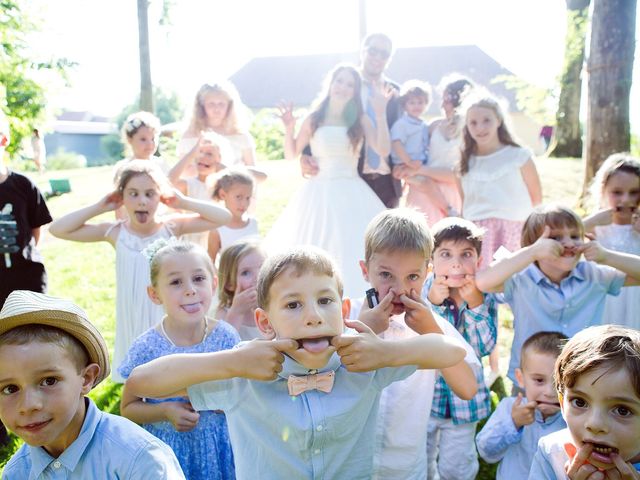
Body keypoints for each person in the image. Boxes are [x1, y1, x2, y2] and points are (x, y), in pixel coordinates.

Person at [124, 247, 467, 479]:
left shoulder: (364, 362)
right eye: (292, 305)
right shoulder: (245, 372)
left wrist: (385, 353)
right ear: (264, 322)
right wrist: (232, 361)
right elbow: (141, 382)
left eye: (325, 301)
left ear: (344, 312)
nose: (314, 317)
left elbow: (452, 351)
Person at [48, 160, 231, 382]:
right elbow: (58, 229)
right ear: (121, 197)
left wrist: (183, 202)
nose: (142, 201)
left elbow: (224, 217)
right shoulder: (115, 232)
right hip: (132, 308)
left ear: (160, 197)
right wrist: (101, 206)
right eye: (133, 194)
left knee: (168, 365)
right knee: (137, 364)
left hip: (165, 306)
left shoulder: (171, 227)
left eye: (150, 194)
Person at [350, 208, 480, 479]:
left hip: (405, 467)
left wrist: (430, 332)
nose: (398, 289)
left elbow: (468, 389)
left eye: (412, 277)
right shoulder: (345, 317)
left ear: (427, 272)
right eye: (386, 275)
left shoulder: (432, 324)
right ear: (365, 270)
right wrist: (366, 331)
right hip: (349, 462)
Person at [0, 290, 185, 478]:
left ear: (87, 378)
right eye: (10, 388)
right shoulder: (16, 473)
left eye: (49, 381)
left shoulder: (139, 460)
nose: (29, 405)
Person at [475, 203, 640, 388]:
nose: (569, 243)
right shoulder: (520, 279)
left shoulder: (595, 275)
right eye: (556, 237)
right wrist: (532, 252)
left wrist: (606, 256)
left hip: (581, 378)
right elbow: (482, 282)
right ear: (535, 245)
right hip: (530, 382)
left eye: (575, 236)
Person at [266, 63, 391, 298]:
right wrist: (289, 128)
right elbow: (291, 153)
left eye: (350, 84)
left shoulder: (360, 120)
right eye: (339, 81)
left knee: (354, 245)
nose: (343, 87)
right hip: (319, 189)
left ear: (355, 91)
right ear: (331, 84)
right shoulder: (314, 118)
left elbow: (382, 148)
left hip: (352, 187)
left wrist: (381, 113)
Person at [119, 240, 238, 479]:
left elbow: (244, 394)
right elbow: (128, 408)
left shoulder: (226, 338)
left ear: (213, 283)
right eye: (175, 282)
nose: (190, 290)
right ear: (154, 294)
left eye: (199, 278)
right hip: (171, 454)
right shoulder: (147, 348)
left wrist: (224, 404)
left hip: (219, 448)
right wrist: (165, 411)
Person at [424, 216, 498, 480]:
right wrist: (433, 304)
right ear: (431, 262)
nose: (456, 263)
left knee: (456, 467)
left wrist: (475, 305)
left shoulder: (484, 296)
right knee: (421, 459)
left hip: (464, 405)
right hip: (426, 397)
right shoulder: (423, 292)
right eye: (446, 254)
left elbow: (483, 347)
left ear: (478, 260)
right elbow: (421, 340)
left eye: (466, 254)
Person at [529, 325, 640, 479]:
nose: (595, 424)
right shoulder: (553, 454)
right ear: (562, 404)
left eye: (622, 410)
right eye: (580, 402)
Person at [458, 91, 542, 268]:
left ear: (499, 120)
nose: (480, 128)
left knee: (513, 283)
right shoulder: (464, 163)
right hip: (477, 237)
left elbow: (536, 199)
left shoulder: (519, 156)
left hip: (514, 232)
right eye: (473, 123)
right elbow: (465, 205)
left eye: (486, 120)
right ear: (466, 126)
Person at [476, 331, 567, 480]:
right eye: (539, 380)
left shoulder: (573, 419)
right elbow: (486, 451)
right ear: (520, 378)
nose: (550, 392)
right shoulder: (509, 408)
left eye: (559, 382)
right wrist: (513, 423)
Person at [0, 110, 52, 308]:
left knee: (28, 336)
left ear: (3, 140)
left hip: (27, 281)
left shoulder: (23, 186)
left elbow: (35, 228)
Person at [583, 153, 640, 330]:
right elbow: (564, 239)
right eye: (617, 193)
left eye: (634, 192)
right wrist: (590, 222)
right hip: (604, 302)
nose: (626, 199)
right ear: (602, 192)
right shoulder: (593, 227)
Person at [178, 81, 266, 182]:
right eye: (211, 104)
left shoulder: (241, 135)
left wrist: (227, 171)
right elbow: (182, 172)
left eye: (221, 104)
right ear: (201, 106)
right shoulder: (190, 136)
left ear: (229, 106)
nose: (216, 109)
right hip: (198, 193)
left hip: (233, 191)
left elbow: (254, 174)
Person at [389, 80, 451, 220]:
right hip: (404, 164)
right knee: (425, 184)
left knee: (425, 185)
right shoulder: (402, 124)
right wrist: (409, 161)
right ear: (405, 105)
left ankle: (444, 210)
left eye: (420, 102)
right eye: (412, 103)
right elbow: (397, 144)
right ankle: (448, 209)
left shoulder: (423, 124)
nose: (417, 106)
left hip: (417, 164)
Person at [168, 131, 227, 250]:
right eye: (200, 152)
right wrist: (190, 155)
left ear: (219, 159)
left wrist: (223, 169)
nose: (203, 157)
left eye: (209, 154)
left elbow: (241, 180)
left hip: (213, 244)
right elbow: (168, 182)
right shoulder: (189, 184)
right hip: (190, 243)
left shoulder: (224, 186)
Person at [214, 239, 265, 341]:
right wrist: (237, 312)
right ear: (229, 284)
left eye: (262, 267)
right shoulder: (224, 312)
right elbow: (223, 347)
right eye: (245, 272)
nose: (258, 276)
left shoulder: (273, 304)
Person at [208, 168, 259, 263]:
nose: (244, 203)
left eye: (248, 198)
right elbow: (210, 262)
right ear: (223, 195)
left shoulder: (253, 223)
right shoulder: (217, 229)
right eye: (238, 197)